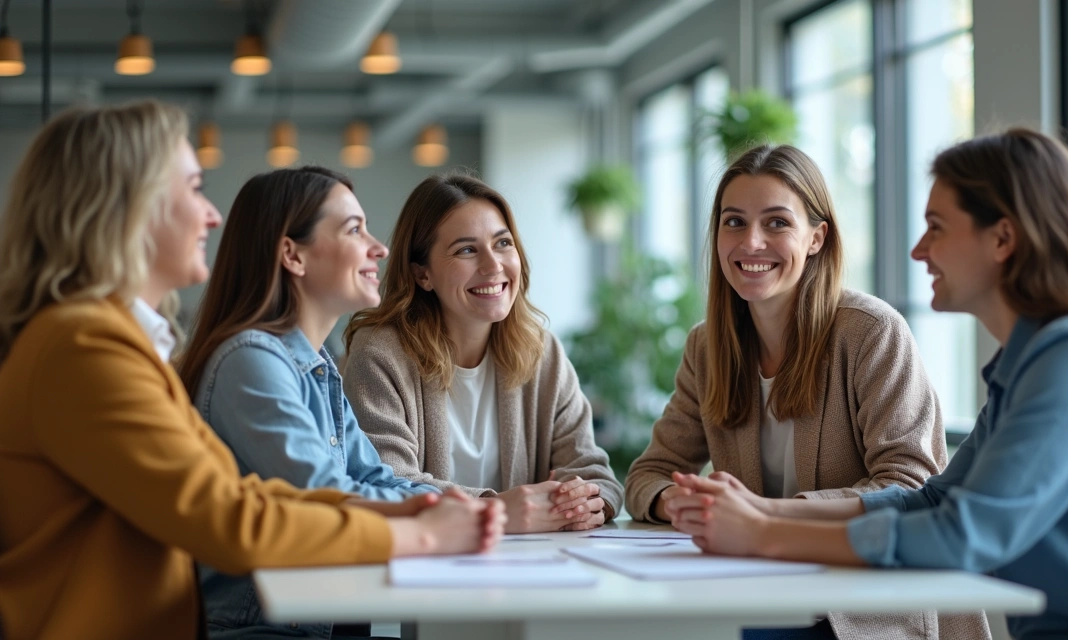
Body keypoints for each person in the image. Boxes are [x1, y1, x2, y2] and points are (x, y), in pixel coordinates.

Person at [667, 129, 1068, 640]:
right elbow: (932, 499)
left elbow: (965, 534)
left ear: (1002, 238)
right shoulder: (1029, 362)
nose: (919, 250)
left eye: (937, 227)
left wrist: (763, 535)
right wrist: (762, 511)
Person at [0, 101, 504, 640]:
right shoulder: (84, 348)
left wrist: (424, 512)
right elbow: (229, 520)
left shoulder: (103, 342)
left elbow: (250, 499)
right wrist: (424, 534)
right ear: (128, 205)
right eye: (194, 189)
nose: (212, 215)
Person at [624, 144, 987, 639]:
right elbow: (648, 475)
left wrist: (765, 516)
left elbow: (910, 485)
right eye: (734, 222)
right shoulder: (707, 347)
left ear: (817, 238)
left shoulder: (871, 332)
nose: (751, 242)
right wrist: (680, 503)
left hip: (860, 608)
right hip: (756, 592)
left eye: (776, 223)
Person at [176, 166, 450, 638]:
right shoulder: (249, 360)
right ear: (292, 255)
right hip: (261, 630)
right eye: (354, 229)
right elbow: (325, 496)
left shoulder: (317, 364)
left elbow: (372, 478)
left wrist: (476, 507)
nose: (380, 248)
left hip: (315, 622)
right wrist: (448, 517)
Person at [343, 173, 623, 533]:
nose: (493, 266)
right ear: (422, 274)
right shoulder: (380, 355)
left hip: (534, 560)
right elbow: (386, 485)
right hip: (425, 559)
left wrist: (586, 502)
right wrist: (497, 510)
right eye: (466, 250)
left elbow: (592, 471)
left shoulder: (541, 351)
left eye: (503, 243)